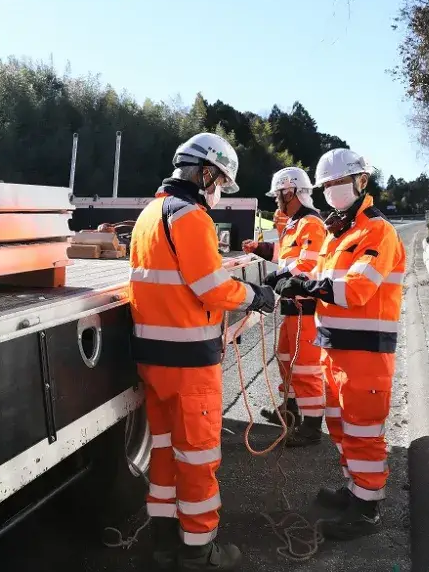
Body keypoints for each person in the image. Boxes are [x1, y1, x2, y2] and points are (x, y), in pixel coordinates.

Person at [128, 132, 277, 571]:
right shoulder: (191, 216)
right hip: (190, 363)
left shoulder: (149, 214)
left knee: (163, 450)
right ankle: (198, 550)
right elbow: (210, 288)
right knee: (197, 456)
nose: (217, 193)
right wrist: (255, 295)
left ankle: (161, 540)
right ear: (206, 172)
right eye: (219, 182)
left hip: (153, 360)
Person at [270, 148, 406, 540]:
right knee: (342, 426)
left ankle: (366, 509)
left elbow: (359, 288)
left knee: (363, 430)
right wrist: (286, 277)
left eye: (338, 183)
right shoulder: (338, 232)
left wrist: (306, 285)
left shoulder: (376, 231)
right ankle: (354, 491)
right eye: (327, 185)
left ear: (362, 182)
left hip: (365, 353)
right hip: (335, 348)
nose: (332, 191)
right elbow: (316, 269)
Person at [241, 167, 326, 446]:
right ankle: (290, 411)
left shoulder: (310, 223)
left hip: (307, 307)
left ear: (289, 191)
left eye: (278, 193)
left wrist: (278, 276)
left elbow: (309, 265)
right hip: (293, 307)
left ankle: (312, 426)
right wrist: (259, 249)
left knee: (305, 367)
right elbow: (284, 255)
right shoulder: (295, 223)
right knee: (286, 359)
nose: (276, 199)